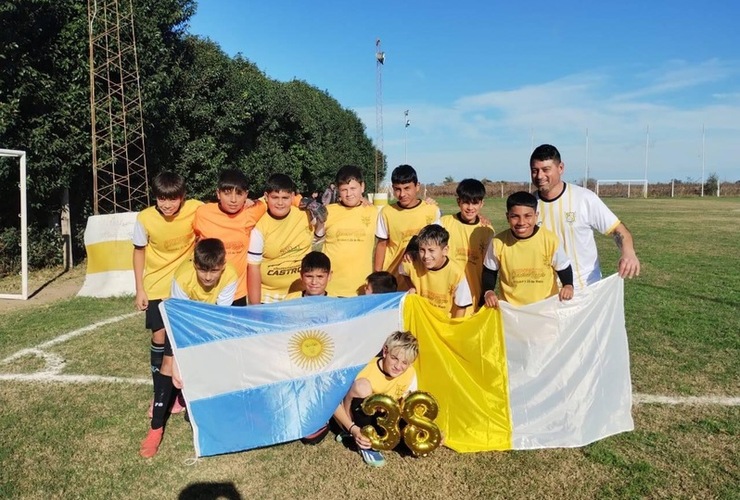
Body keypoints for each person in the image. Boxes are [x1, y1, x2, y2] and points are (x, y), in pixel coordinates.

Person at [139, 238, 238, 458]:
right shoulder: (182, 277)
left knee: (214, 363)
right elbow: (177, 318)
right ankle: (156, 427)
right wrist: (175, 361)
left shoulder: (231, 275)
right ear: (194, 264)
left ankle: (194, 403)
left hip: (210, 321)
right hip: (181, 321)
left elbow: (218, 317)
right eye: (203, 270)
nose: (209, 277)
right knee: (167, 366)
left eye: (214, 271)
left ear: (223, 266)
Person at [132, 171, 202, 421]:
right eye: (162, 198)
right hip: (157, 287)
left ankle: (184, 392)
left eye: (173, 199)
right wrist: (140, 288)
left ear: (183, 197)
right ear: (156, 197)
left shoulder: (195, 208)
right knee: (160, 338)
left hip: (186, 286)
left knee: (184, 339)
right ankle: (160, 392)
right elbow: (139, 251)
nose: (167, 204)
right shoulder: (145, 218)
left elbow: (221, 210)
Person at [530, 144, 640, 289]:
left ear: (560, 168)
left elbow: (618, 229)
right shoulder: (529, 206)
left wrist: (628, 252)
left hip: (584, 290)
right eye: (534, 171)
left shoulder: (584, 198)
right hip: (545, 293)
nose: (539, 176)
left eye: (546, 170)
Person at [333, 330, 419, 467]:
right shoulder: (365, 367)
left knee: (413, 443)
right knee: (362, 386)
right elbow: (333, 402)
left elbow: (411, 408)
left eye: (405, 362)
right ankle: (364, 444)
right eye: (394, 358)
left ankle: (376, 437)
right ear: (385, 351)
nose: (398, 366)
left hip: (382, 419)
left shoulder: (410, 373)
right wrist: (352, 428)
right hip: (352, 419)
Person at [481, 191, 574, 308]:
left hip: (545, 308)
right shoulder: (498, 242)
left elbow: (563, 267)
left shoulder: (550, 240)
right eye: (515, 216)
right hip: (512, 310)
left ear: (536, 216)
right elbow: (490, 270)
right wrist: (488, 291)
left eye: (527, 216)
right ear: (507, 217)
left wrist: (568, 285)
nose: (521, 222)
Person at [247, 174, 325, 304]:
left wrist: (321, 222)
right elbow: (253, 268)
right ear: (266, 197)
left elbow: (317, 237)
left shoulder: (305, 214)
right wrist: (255, 309)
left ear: (293, 196)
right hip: (268, 298)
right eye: (275, 197)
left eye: (285, 198)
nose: (280, 203)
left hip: (301, 294)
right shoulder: (259, 225)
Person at [193, 169, 262, 306]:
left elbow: (276, 199)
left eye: (239, 193)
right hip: (206, 292)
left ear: (246, 194)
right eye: (227, 193)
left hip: (237, 292)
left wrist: (302, 201)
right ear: (218, 193)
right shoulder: (202, 213)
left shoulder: (252, 213)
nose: (233, 200)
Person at [374, 164, 441, 290]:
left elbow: (438, 245)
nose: (402, 194)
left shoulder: (431, 210)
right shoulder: (386, 212)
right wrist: (377, 276)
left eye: (407, 188)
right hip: (394, 280)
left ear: (417, 186)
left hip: (423, 280)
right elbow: (381, 244)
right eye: (397, 189)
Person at [322, 165, 378, 296]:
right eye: (344, 190)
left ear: (362, 187)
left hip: (361, 289)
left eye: (353, 188)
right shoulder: (328, 212)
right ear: (337, 190)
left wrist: (427, 203)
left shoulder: (373, 212)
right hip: (330, 289)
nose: (349, 194)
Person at [440, 179, 495, 315]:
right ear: (458, 202)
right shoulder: (444, 223)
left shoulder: (487, 230)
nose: (470, 208)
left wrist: (484, 293)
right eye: (466, 202)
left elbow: (489, 267)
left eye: (475, 203)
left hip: (473, 296)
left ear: (482, 203)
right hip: (445, 296)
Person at [399, 224, 473, 318]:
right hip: (420, 320)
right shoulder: (411, 262)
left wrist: (455, 330)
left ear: (445, 250)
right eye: (422, 250)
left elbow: (461, 306)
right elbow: (402, 271)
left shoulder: (456, 274)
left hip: (443, 325)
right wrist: (412, 286)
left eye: (431, 250)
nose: (426, 256)